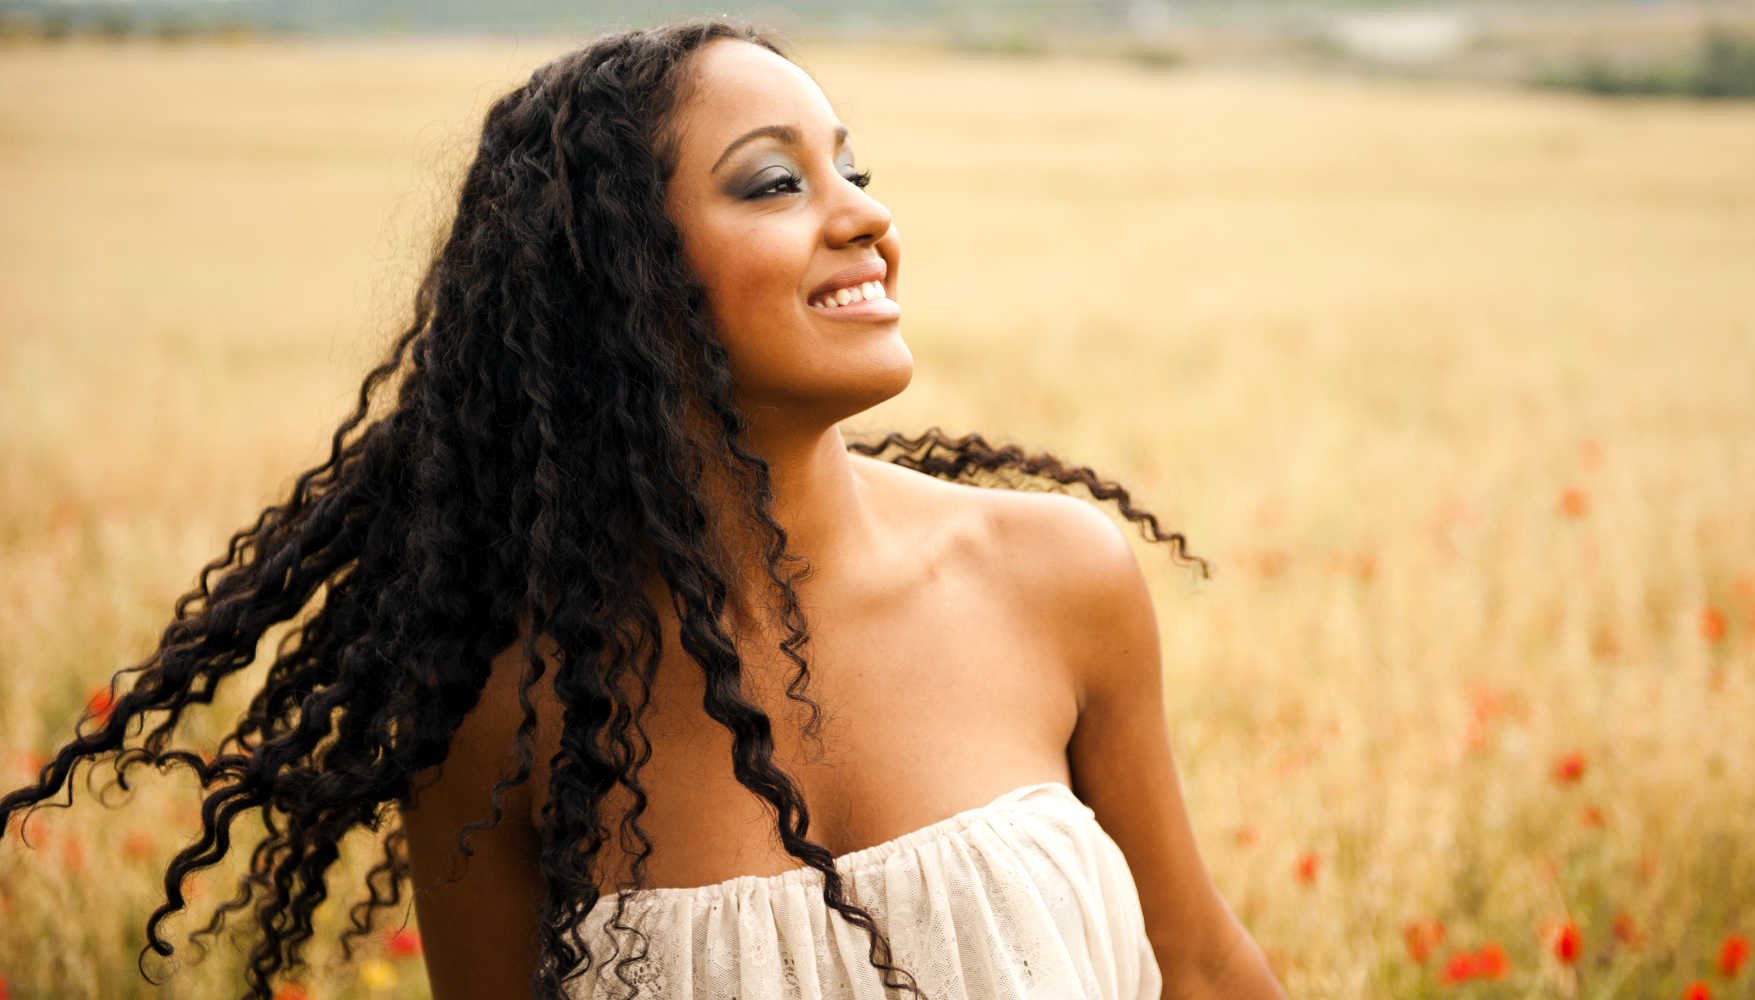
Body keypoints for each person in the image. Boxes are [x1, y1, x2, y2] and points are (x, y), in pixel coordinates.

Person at [0, 17, 1288, 1000]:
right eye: (776, 184)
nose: (870, 218)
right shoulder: (504, 711)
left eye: (853, 167)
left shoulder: (1055, 576)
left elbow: (1203, 968)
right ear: (614, 280)